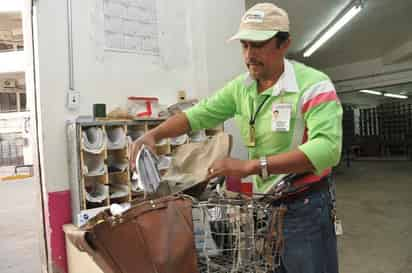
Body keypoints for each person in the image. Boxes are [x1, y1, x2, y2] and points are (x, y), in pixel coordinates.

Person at [130, 3, 342, 273]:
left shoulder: (313, 85)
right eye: (245, 46)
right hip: (266, 207)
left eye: (258, 45)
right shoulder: (242, 88)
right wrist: (154, 134)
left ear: (284, 44)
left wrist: (251, 166)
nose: (249, 55)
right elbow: (198, 115)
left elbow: (327, 149)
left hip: (305, 206)